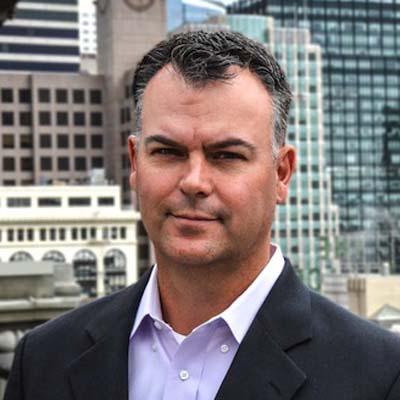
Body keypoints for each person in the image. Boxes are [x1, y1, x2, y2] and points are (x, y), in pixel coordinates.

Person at [5, 31, 400, 400]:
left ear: (282, 174)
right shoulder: (42, 360)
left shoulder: (380, 376)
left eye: (226, 155)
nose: (194, 182)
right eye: (168, 152)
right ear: (135, 163)